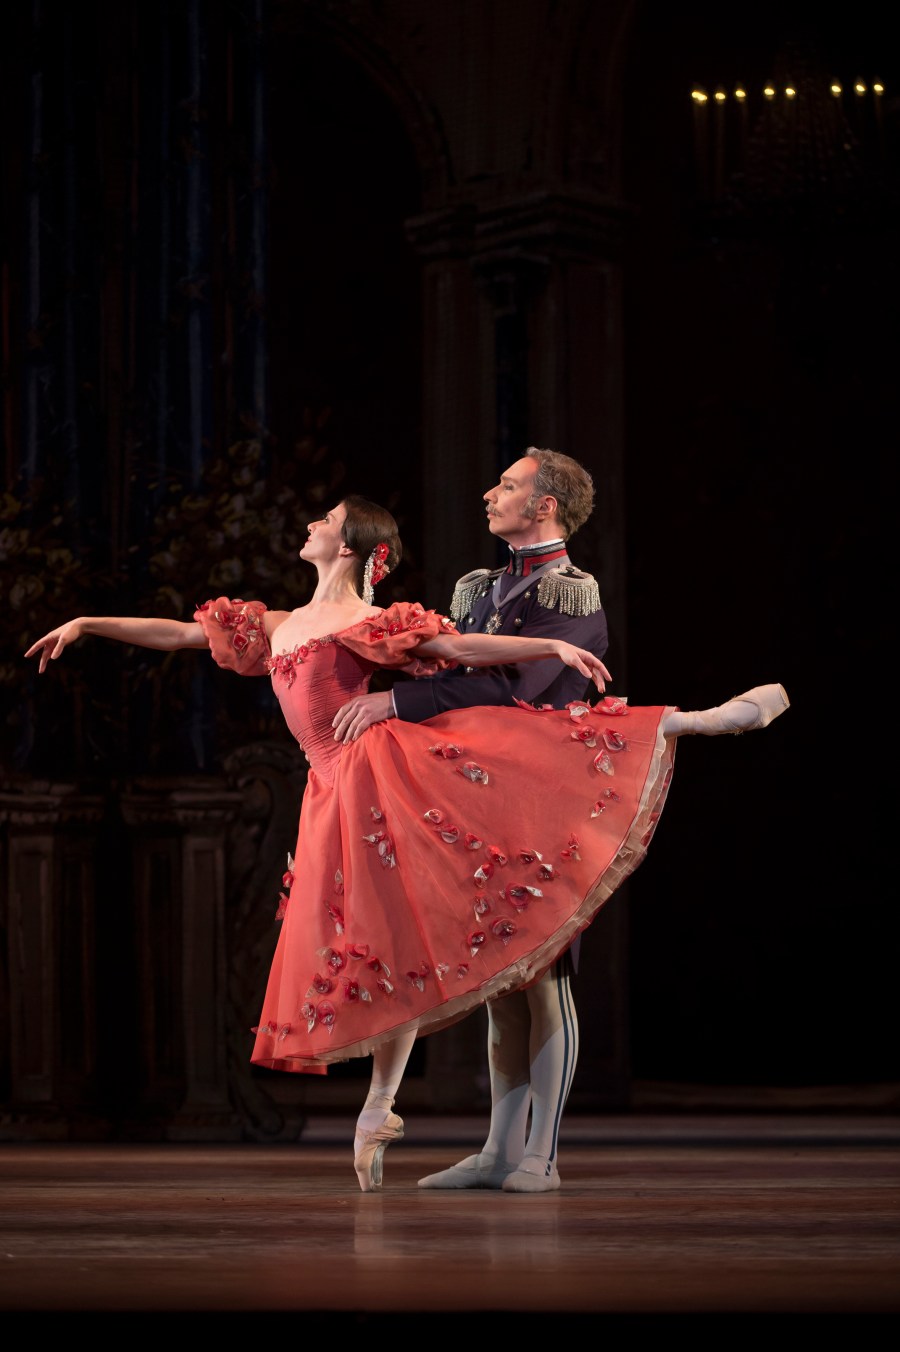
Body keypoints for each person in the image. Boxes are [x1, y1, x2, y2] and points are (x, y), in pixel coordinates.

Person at [25, 492, 789, 1194]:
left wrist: (549, 653)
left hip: (382, 775)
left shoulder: (372, 623)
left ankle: (688, 721)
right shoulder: (282, 623)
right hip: (328, 788)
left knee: (521, 760)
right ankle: (380, 1111)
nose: (310, 526)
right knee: (376, 945)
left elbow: (461, 653)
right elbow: (182, 634)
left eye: (323, 520)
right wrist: (90, 624)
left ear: (351, 545)